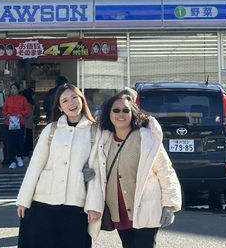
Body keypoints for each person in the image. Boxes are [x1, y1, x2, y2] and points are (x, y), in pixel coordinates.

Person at [16, 83, 103, 248]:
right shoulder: (51, 129)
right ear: (60, 107)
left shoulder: (94, 131)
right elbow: (35, 166)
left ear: (82, 100)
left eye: (74, 98)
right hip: (43, 203)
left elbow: (95, 171)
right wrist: (23, 200)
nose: (71, 103)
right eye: (65, 101)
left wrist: (94, 205)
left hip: (75, 204)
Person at [93, 89, 181, 248]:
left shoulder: (146, 137)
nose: (121, 114)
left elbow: (165, 170)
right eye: (116, 110)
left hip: (145, 208)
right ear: (109, 113)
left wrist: (169, 205)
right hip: (118, 211)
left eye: (126, 110)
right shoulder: (104, 140)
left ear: (132, 112)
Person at [2, 83, 31, 168]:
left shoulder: (23, 99)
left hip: (20, 122)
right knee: (11, 142)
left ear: (18, 90)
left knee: (19, 141)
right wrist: (6, 114)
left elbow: (27, 109)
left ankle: (19, 157)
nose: (13, 90)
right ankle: (12, 160)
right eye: (12, 89)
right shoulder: (8, 99)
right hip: (9, 123)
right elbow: (4, 109)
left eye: (15, 88)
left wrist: (21, 114)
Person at [21, 88, 36, 158]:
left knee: (26, 141)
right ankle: (27, 155)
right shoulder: (29, 104)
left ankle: (25, 154)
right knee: (28, 141)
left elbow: (26, 114)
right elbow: (28, 114)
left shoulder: (25, 104)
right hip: (28, 124)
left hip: (25, 124)